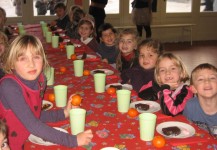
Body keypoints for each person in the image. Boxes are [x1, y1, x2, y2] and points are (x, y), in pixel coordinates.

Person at [0, 35, 93, 149]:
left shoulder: (40, 80)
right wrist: (73, 140)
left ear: (43, 60)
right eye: (23, 58)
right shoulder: (9, 86)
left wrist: (64, 113)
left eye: (36, 57)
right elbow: (32, 124)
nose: (31, 64)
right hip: (8, 145)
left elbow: (34, 113)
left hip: (26, 139)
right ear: (11, 64)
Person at [183, 63, 217, 137]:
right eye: (201, 79)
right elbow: (186, 130)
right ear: (194, 89)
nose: (207, 81)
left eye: (212, 78)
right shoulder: (190, 106)